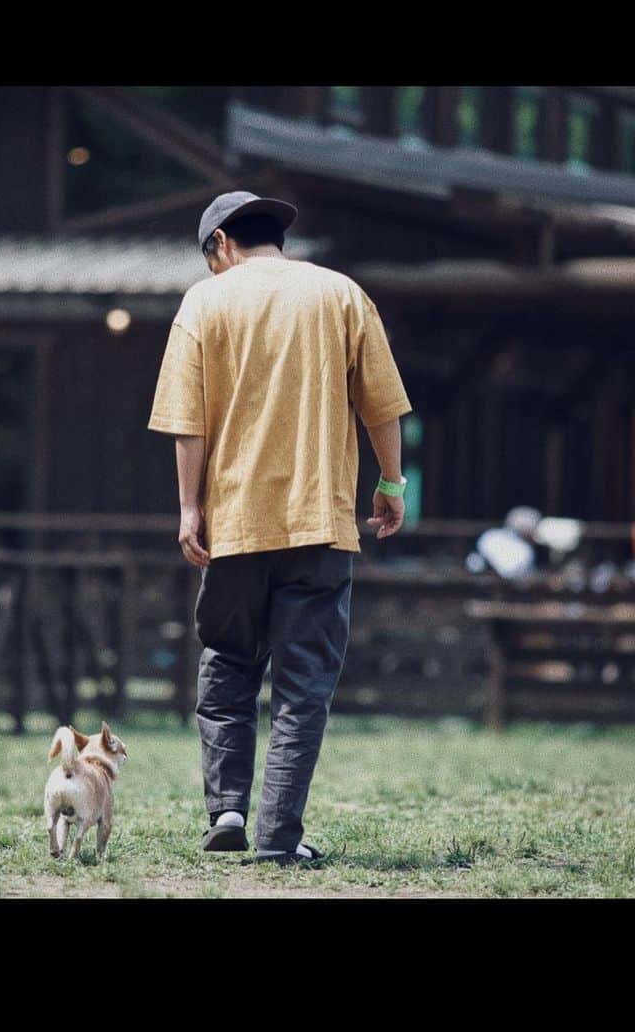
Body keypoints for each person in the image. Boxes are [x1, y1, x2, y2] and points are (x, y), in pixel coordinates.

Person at [147, 190, 413, 866]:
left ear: (220, 246)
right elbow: (381, 402)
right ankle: (278, 837)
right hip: (321, 525)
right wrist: (389, 481)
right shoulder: (341, 294)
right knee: (303, 687)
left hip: (235, 526)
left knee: (229, 663)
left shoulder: (204, 303)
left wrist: (189, 508)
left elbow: (188, 421)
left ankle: (228, 808)